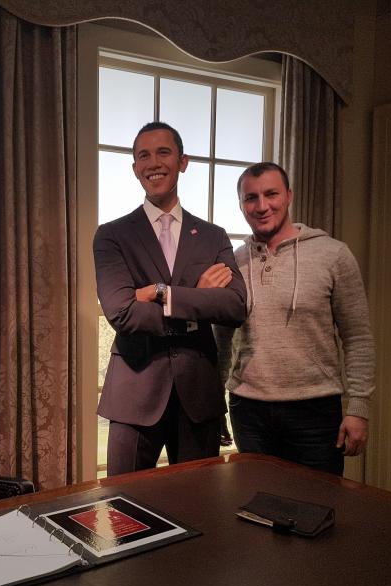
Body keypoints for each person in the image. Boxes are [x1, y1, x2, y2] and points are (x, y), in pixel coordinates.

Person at [94, 122, 247, 476]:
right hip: (133, 394)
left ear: (183, 161)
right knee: (125, 502)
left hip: (199, 394)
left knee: (197, 503)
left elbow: (235, 306)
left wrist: (161, 293)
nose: (153, 163)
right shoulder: (112, 236)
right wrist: (198, 300)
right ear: (135, 168)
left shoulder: (212, 236)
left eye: (163, 152)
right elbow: (122, 313)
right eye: (143, 156)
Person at [214, 162, 375, 475]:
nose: (262, 206)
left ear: (288, 195)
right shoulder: (234, 262)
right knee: (256, 501)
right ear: (241, 205)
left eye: (271, 194)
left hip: (315, 410)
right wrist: (216, 402)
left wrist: (358, 408)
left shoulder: (333, 255)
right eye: (251, 198)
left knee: (316, 502)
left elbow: (358, 337)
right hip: (248, 410)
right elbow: (220, 341)